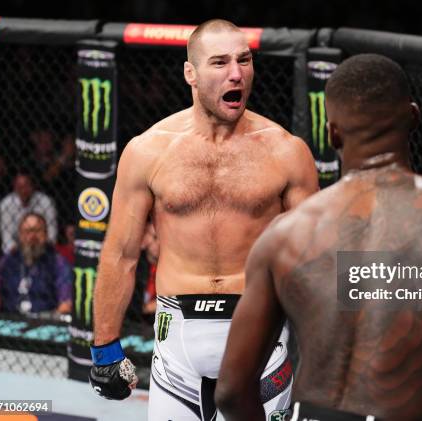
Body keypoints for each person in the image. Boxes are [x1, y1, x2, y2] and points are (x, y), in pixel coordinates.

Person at [215, 54, 422, 420]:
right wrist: (413, 393)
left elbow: (232, 392)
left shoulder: (285, 234)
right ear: (413, 117)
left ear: (332, 133)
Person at [88, 19, 319, 421]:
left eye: (244, 60)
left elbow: (317, 258)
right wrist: (105, 346)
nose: (236, 73)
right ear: (190, 74)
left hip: (260, 331)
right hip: (177, 341)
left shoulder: (286, 152)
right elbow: (121, 253)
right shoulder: (148, 151)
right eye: (220, 63)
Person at [0, 212, 72, 314]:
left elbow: (66, 304)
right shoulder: (8, 260)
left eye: (37, 231)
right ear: (20, 235)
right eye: (27, 231)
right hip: (8, 320)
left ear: (46, 235)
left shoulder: (58, 262)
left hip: (46, 324)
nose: (32, 236)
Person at [0, 172, 58, 253]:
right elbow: (6, 236)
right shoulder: (6, 204)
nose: (24, 190)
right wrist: (15, 252)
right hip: (17, 248)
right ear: (14, 188)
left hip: (41, 246)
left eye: (26, 186)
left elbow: (52, 231)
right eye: (20, 187)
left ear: (33, 186)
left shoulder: (45, 201)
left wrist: (46, 247)